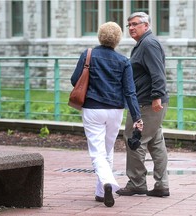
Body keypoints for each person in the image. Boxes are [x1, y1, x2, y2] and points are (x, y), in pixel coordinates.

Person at [71, 22, 143, 207]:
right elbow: (130, 91)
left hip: (93, 109)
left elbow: (74, 80)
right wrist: (137, 117)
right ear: (117, 39)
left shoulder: (88, 55)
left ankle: (107, 182)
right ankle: (101, 193)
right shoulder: (123, 61)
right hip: (115, 111)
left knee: (97, 152)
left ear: (99, 36)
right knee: (108, 149)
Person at [116, 12, 170, 197]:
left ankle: (137, 183)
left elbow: (158, 73)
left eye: (135, 24)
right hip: (147, 101)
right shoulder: (143, 44)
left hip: (147, 103)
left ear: (146, 26)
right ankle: (162, 184)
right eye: (129, 25)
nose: (131, 28)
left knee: (134, 139)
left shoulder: (148, 44)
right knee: (155, 142)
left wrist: (157, 97)